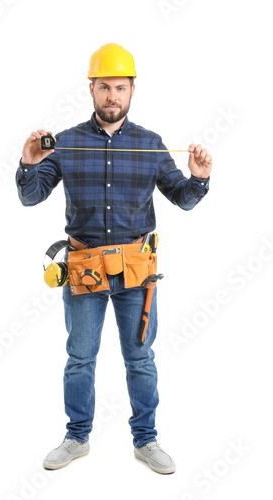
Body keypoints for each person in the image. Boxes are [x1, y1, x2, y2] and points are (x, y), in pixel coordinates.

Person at [15, 43, 212, 474]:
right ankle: (77, 437)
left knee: (140, 358)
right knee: (80, 357)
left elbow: (182, 198)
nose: (112, 97)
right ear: (91, 88)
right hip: (83, 272)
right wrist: (29, 165)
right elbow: (30, 198)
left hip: (136, 274)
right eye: (104, 87)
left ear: (132, 90)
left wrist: (198, 180)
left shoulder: (149, 144)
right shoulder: (64, 144)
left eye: (120, 88)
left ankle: (146, 440)